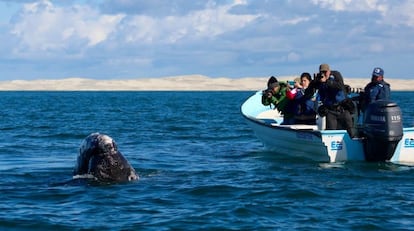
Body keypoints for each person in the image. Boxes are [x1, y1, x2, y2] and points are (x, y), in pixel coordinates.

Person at [307, 63, 356, 137]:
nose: (324, 74)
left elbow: (339, 86)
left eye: (325, 72)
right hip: (331, 111)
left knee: (350, 130)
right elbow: (308, 93)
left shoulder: (336, 75)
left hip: (342, 108)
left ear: (329, 71)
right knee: (331, 132)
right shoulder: (320, 80)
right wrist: (314, 83)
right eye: (322, 72)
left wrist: (327, 81)